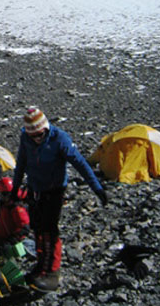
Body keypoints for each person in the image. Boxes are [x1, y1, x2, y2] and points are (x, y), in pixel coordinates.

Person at [11, 107, 107, 292]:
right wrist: (15, 188)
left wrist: (97, 188)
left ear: (45, 129)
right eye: (33, 136)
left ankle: (52, 273)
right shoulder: (26, 138)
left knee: (50, 230)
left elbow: (79, 162)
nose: (36, 139)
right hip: (35, 188)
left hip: (54, 190)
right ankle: (41, 266)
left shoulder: (59, 138)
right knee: (37, 228)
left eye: (39, 135)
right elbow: (21, 162)